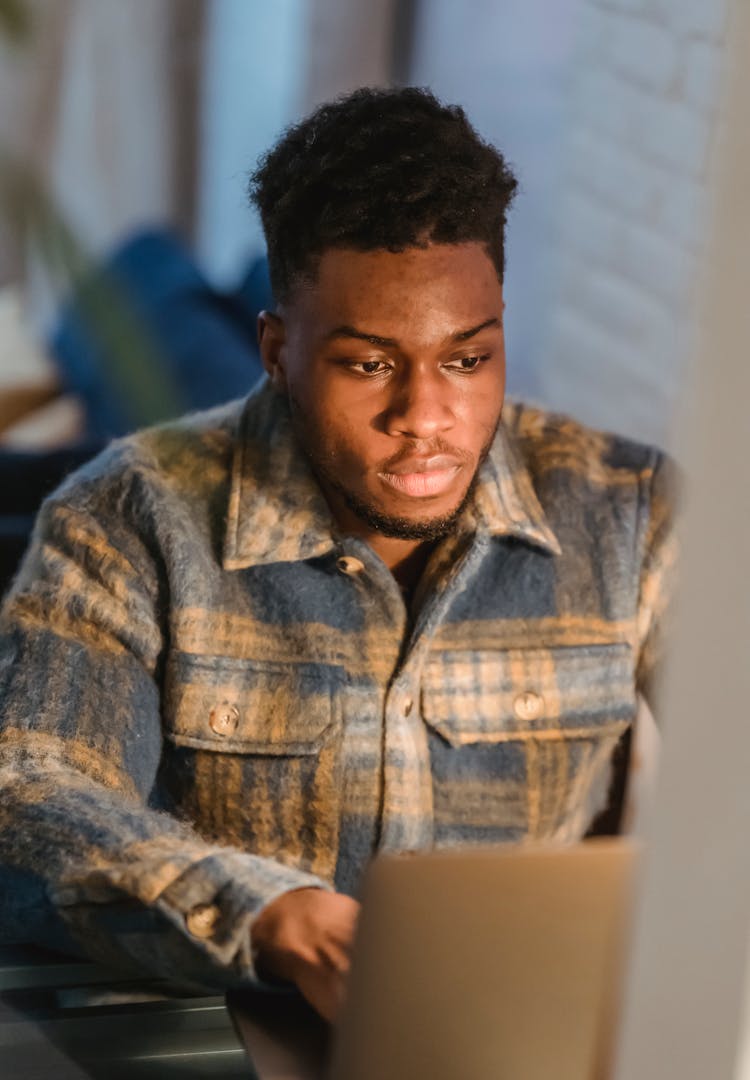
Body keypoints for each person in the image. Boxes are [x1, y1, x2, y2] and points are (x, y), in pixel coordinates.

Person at [0, 87, 675, 1023]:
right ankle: (161, 277)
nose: (427, 419)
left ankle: (222, 285)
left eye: (469, 359)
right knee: (142, 311)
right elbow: (34, 791)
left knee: (178, 311)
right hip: (242, 1034)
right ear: (277, 354)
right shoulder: (121, 515)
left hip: (490, 1042)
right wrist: (269, 912)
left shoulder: (634, 513)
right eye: (370, 364)